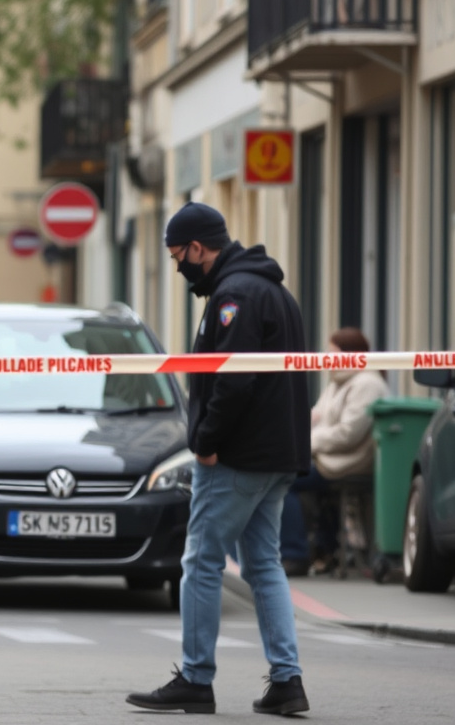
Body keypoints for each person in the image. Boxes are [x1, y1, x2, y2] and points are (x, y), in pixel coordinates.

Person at [128, 202, 311, 716]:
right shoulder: (271, 289)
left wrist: (206, 441)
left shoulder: (234, 296)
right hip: (277, 455)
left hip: (238, 457)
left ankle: (194, 676)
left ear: (198, 248)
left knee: (201, 561)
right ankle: (286, 680)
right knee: (263, 564)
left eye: (177, 255)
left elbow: (234, 381)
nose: (178, 266)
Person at [280, 327, 390, 576]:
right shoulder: (338, 382)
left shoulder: (367, 384)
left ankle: (294, 555)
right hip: (328, 456)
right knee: (289, 470)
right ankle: (324, 547)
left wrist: (307, 443)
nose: (327, 359)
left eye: (332, 353)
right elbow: (316, 416)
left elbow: (348, 433)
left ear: (349, 354)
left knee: (284, 479)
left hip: (348, 461)